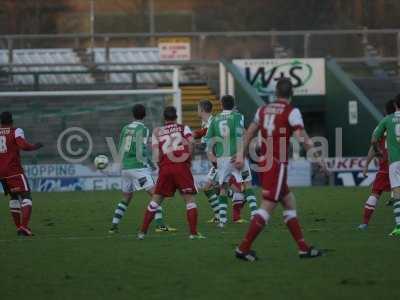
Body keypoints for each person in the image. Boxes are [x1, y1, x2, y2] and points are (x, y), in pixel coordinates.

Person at [235, 78, 323, 261]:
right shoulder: (292, 111)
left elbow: (249, 132)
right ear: (291, 94)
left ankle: (303, 248)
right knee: (267, 206)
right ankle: (243, 248)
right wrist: (317, 156)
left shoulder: (263, 109)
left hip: (266, 161)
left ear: (275, 93)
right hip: (277, 163)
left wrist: (239, 154)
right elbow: (301, 136)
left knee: (289, 201)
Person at [138, 106, 204, 239]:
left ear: (164, 118)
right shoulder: (183, 127)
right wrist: (188, 157)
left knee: (156, 200)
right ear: (176, 117)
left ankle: (142, 232)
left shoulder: (158, 131)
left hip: (166, 167)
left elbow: (156, 154)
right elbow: (191, 142)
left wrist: (160, 165)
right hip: (181, 166)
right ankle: (193, 233)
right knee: (190, 200)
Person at [109, 104, 175, 234]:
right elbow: (141, 150)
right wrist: (150, 163)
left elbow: (121, 148)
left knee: (126, 198)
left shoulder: (125, 128)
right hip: (138, 167)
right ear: (144, 115)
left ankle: (113, 226)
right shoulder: (143, 129)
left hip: (125, 167)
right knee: (157, 195)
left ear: (133, 115)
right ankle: (160, 225)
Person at [205, 95, 258, 228]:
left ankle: (222, 220)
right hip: (236, 156)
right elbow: (241, 134)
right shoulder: (237, 116)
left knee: (223, 188)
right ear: (233, 104)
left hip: (222, 159)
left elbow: (208, 140)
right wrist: (240, 153)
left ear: (221, 105)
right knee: (247, 184)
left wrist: (212, 156)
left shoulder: (215, 119)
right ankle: (255, 214)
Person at [194, 99, 247, 223]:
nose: (197, 111)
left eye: (197, 108)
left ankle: (223, 212)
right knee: (216, 187)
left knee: (210, 187)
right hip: (217, 160)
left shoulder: (214, 121)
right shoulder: (205, 123)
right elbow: (205, 143)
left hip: (221, 159)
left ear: (201, 110)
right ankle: (236, 198)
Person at [0, 111, 43, 236]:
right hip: (14, 170)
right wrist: (35, 146)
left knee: (14, 197)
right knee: (26, 195)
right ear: (12, 121)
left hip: (2, 172)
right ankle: (23, 226)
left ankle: (19, 227)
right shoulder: (16, 131)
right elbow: (23, 145)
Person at [358, 99, 395, 229]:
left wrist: (366, 164)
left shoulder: (382, 124)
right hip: (397, 163)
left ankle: (364, 223)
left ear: (385, 111)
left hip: (385, 166)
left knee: (375, 193)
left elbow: (373, 146)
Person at [371, 94, 400, 237]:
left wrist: (378, 152)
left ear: (395, 105)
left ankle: (399, 227)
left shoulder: (387, 120)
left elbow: (374, 139)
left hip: (395, 162)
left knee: (397, 194)